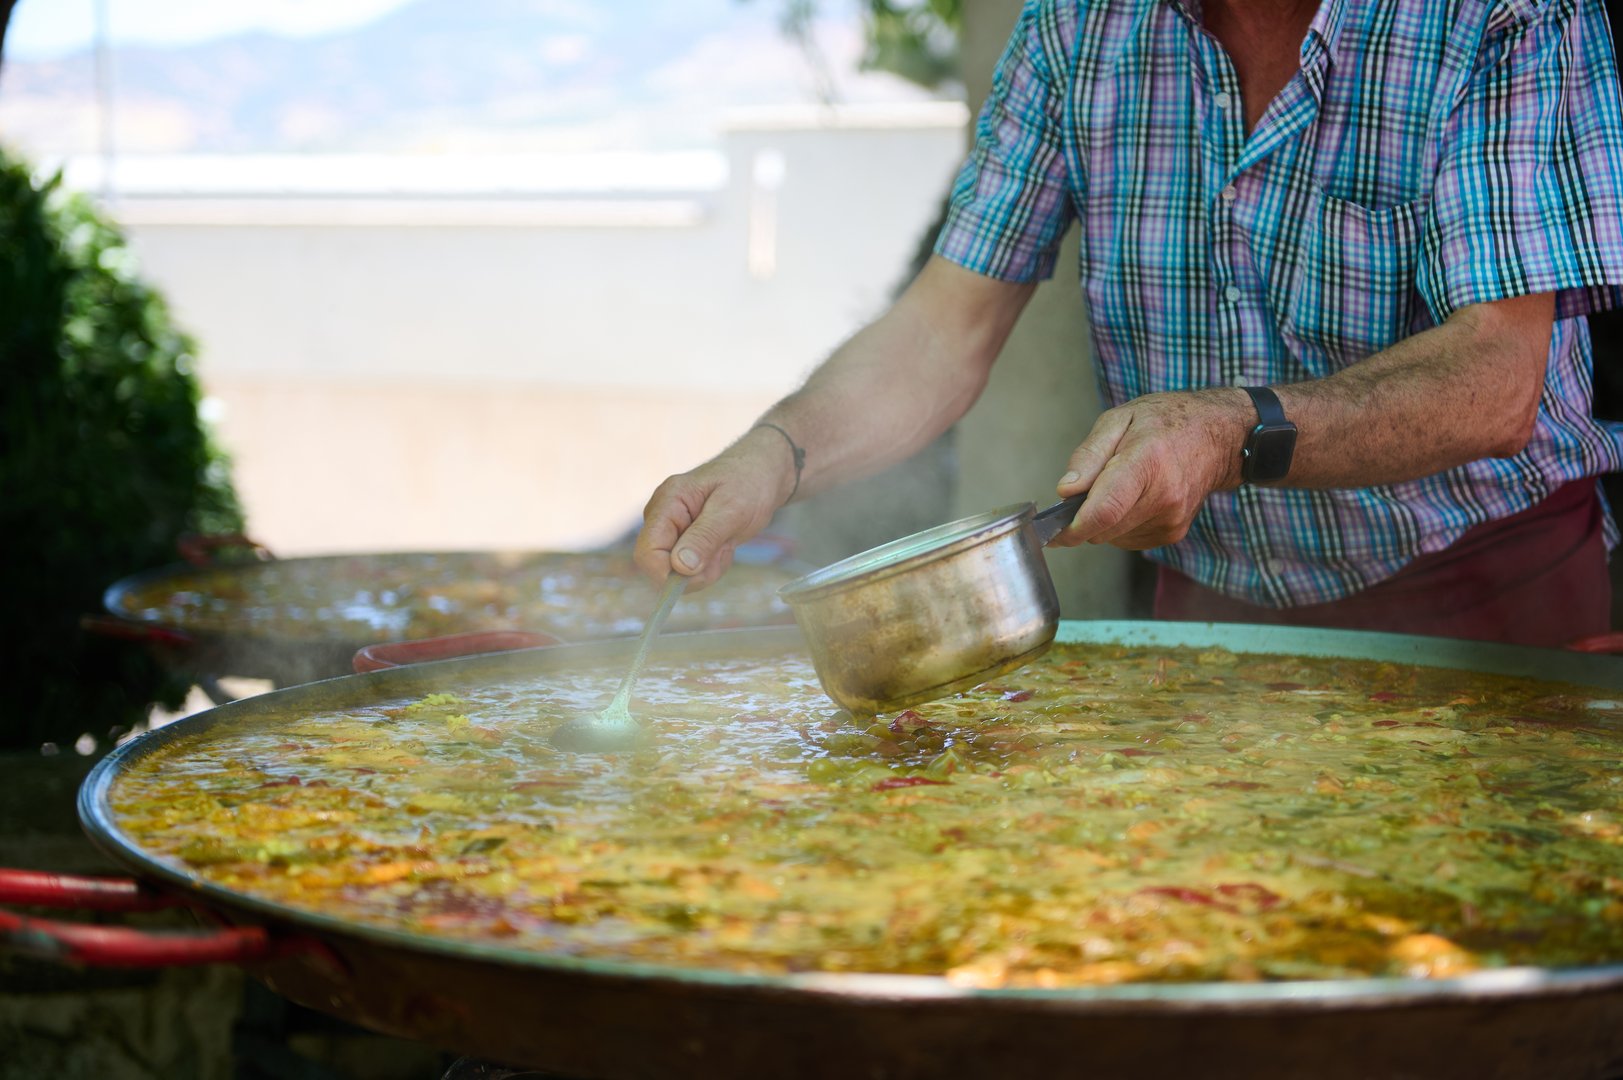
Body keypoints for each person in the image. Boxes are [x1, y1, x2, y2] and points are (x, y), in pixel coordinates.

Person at [634, 0, 1623, 647]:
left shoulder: (1504, 15)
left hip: (1493, 599)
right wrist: (775, 455)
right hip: (1212, 617)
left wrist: (1231, 430)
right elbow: (943, 329)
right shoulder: (1076, 27)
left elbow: (1498, 377)